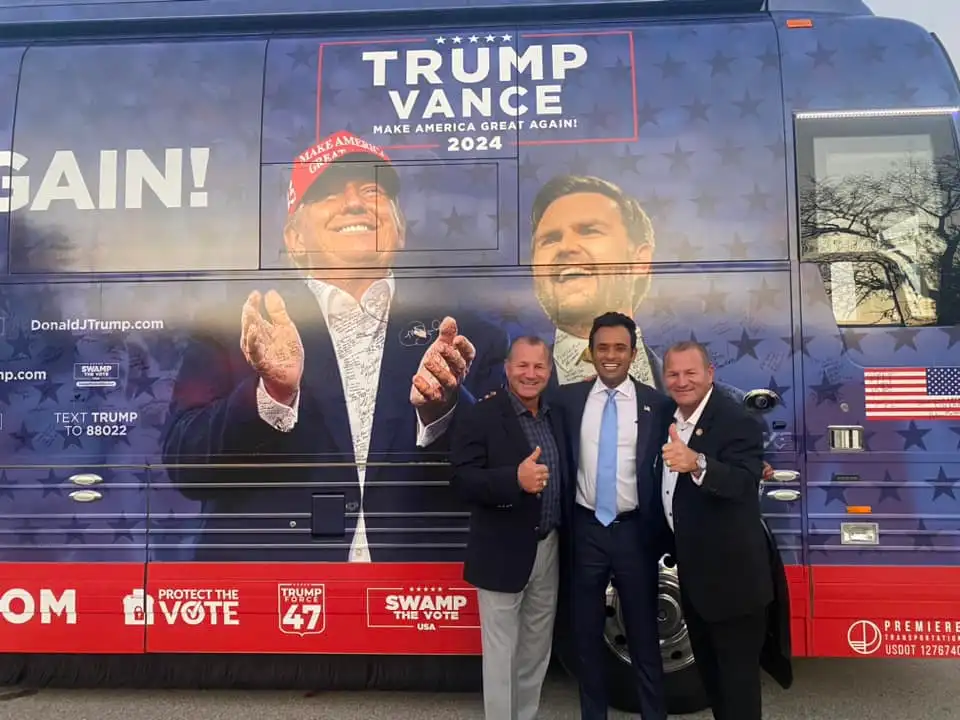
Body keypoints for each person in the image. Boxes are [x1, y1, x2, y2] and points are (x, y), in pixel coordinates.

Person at [162, 130, 508, 563]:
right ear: (294, 238)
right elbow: (185, 466)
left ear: (399, 230)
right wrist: (271, 395)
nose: (355, 203)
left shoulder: (467, 334)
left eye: (372, 189)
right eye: (328, 193)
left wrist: (444, 413)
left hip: (422, 602)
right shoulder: (241, 325)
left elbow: (504, 473)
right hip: (272, 602)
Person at [553, 311, 673, 720]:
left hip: (634, 534)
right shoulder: (567, 401)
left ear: (632, 353)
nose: (610, 356)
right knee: (586, 641)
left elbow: (699, 428)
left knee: (644, 638)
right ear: (590, 352)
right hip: (585, 529)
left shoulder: (657, 405)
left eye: (619, 348)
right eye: (602, 347)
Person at [450, 336, 568, 720]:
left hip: (548, 548)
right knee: (501, 654)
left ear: (549, 372)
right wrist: (513, 479)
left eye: (538, 367)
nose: (530, 374)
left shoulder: (556, 415)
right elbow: (462, 481)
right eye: (522, 365)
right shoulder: (480, 415)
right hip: (500, 549)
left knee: (536, 649)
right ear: (507, 367)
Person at [659, 340, 773, 720]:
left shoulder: (736, 419)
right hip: (695, 580)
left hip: (734, 584)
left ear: (710, 374)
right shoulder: (668, 419)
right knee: (713, 684)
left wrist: (697, 463)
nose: (682, 381)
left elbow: (743, 480)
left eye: (691, 372)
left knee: (738, 690)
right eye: (674, 373)